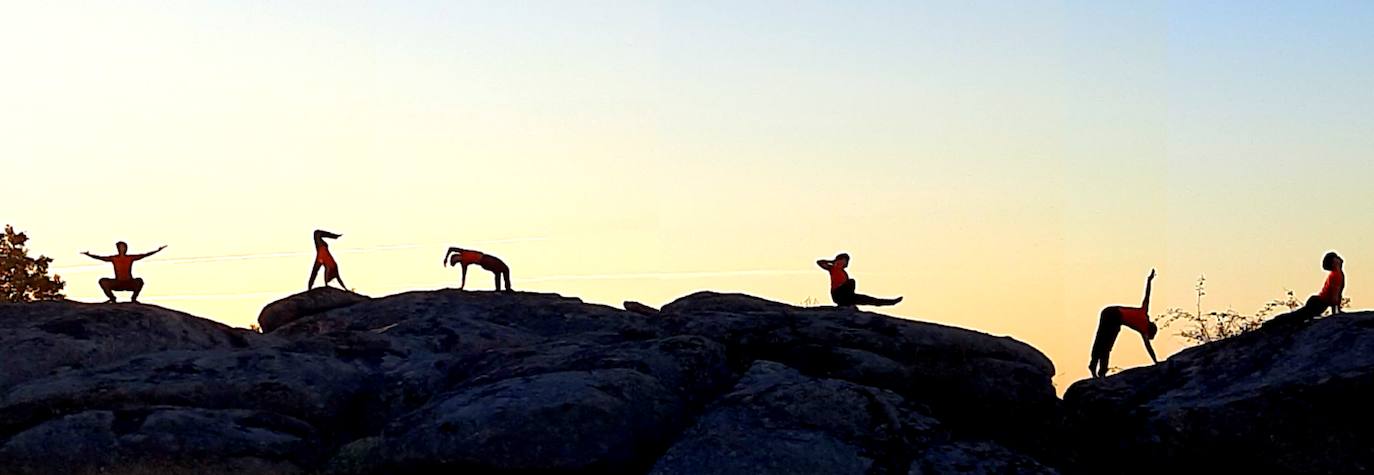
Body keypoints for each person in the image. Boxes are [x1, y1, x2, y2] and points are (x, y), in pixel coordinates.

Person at [1089, 269, 1159, 379]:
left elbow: (1147, 295)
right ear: (1150, 331)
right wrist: (1156, 361)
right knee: (1106, 345)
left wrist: (1149, 280)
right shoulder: (1144, 330)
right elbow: (1148, 347)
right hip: (1115, 317)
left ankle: (1094, 365)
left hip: (1109, 311)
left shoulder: (1144, 312)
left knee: (1100, 339)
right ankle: (1101, 371)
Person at [1266, 251, 1345, 327]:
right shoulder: (1336, 275)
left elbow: (1337, 295)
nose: (1339, 258)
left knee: (1297, 316)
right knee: (1296, 317)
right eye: (1336, 258)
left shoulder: (1337, 274)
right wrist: (1336, 314)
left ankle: (1273, 322)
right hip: (1318, 303)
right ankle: (1272, 323)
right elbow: (1334, 297)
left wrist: (1337, 312)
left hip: (1318, 302)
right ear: (1333, 262)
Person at [82, 242, 166, 303]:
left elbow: (144, 255)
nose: (122, 249)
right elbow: (101, 258)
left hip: (129, 282)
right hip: (118, 283)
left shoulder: (130, 258)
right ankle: (112, 298)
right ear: (118, 249)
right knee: (103, 281)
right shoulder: (114, 258)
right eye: (120, 247)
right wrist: (89, 255)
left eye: (123, 247)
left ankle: (133, 299)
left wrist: (157, 250)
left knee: (139, 281)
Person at [816, 253, 902, 307]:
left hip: (847, 296)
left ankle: (891, 302)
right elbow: (819, 262)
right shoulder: (832, 268)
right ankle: (847, 302)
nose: (847, 263)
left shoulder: (843, 272)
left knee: (869, 299)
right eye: (845, 261)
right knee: (852, 282)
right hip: (838, 295)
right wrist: (832, 261)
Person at [444, 247, 512, 291]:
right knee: (502, 270)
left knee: (500, 270)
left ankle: (501, 289)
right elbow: (464, 275)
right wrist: (462, 286)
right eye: (455, 260)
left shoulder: (462, 252)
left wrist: (446, 258)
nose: (456, 259)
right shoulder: (464, 263)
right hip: (484, 261)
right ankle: (504, 289)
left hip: (485, 258)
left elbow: (451, 249)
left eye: (454, 258)